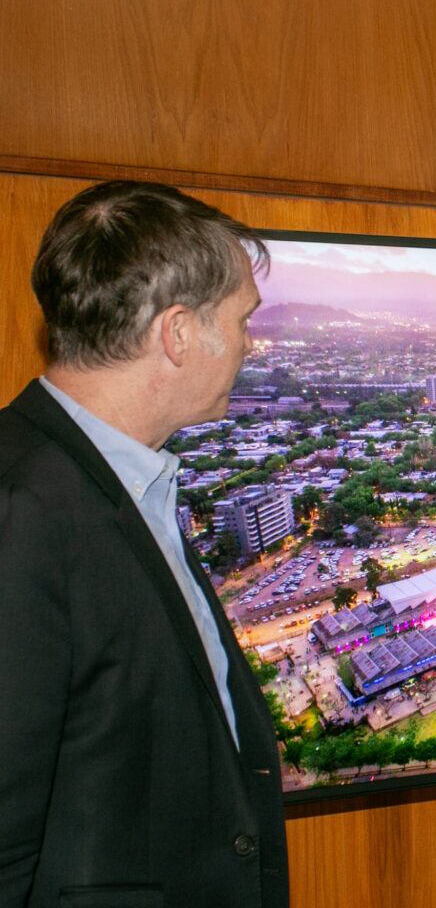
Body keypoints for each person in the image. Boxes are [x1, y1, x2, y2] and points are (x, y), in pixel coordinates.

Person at [0, 182, 288, 906]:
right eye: (243, 319)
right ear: (180, 332)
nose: (253, 343)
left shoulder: (127, 479)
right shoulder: (20, 509)